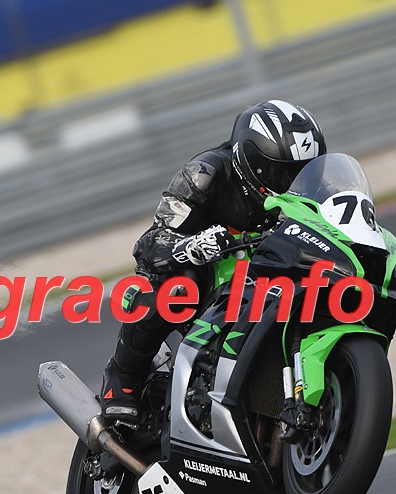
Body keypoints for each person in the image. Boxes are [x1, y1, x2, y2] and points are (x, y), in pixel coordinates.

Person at [100, 99, 327, 424]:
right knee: (176, 286)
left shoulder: (313, 189)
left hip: (272, 275)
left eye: (301, 173)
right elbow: (149, 245)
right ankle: (123, 376)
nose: (292, 184)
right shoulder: (204, 175)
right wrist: (191, 247)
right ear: (252, 162)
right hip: (211, 280)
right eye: (282, 173)